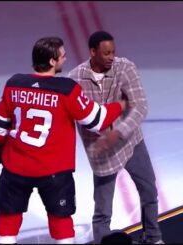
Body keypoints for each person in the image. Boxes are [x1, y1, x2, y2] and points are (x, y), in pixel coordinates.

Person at [0, 36, 126, 244]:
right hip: (54, 172)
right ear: (52, 61)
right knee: (61, 221)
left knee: (8, 220)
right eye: (62, 56)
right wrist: (120, 105)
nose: (65, 59)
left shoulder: (13, 84)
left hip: (16, 167)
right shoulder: (66, 89)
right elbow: (96, 120)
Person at [68, 31, 163, 244]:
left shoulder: (125, 67)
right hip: (101, 150)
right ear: (93, 52)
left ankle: (154, 238)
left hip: (131, 142)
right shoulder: (74, 79)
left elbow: (140, 106)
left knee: (149, 192)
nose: (111, 57)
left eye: (113, 52)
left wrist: (118, 132)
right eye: (106, 53)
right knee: (102, 210)